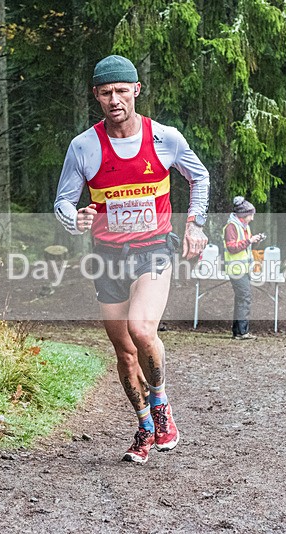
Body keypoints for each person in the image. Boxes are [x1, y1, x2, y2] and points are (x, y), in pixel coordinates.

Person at [54, 54, 210, 464]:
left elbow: (200, 176)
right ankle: (143, 427)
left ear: (136, 90)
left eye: (122, 91)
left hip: (154, 248)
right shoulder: (84, 146)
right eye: (106, 93)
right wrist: (77, 218)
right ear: (96, 96)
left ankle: (161, 407)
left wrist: (194, 224)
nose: (115, 99)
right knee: (124, 351)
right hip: (107, 256)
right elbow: (63, 204)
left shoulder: (165, 139)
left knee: (142, 329)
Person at [223, 196, 264, 340]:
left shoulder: (244, 227)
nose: (252, 218)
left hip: (243, 269)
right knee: (244, 298)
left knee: (241, 299)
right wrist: (249, 240)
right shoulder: (231, 227)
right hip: (236, 269)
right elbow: (232, 247)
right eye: (251, 215)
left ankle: (238, 331)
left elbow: (246, 247)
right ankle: (242, 332)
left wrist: (255, 241)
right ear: (243, 215)